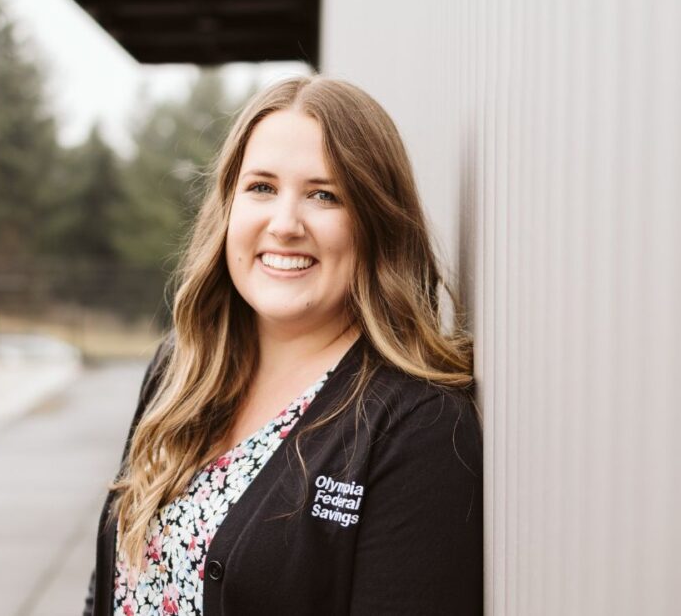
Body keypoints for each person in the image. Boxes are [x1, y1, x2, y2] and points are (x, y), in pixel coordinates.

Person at [82, 76, 482, 616]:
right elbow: (108, 588)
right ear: (228, 208)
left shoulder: (418, 428)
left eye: (325, 195)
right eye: (262, 188)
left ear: (375, 223)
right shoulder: (180, 368)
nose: (285, 224)